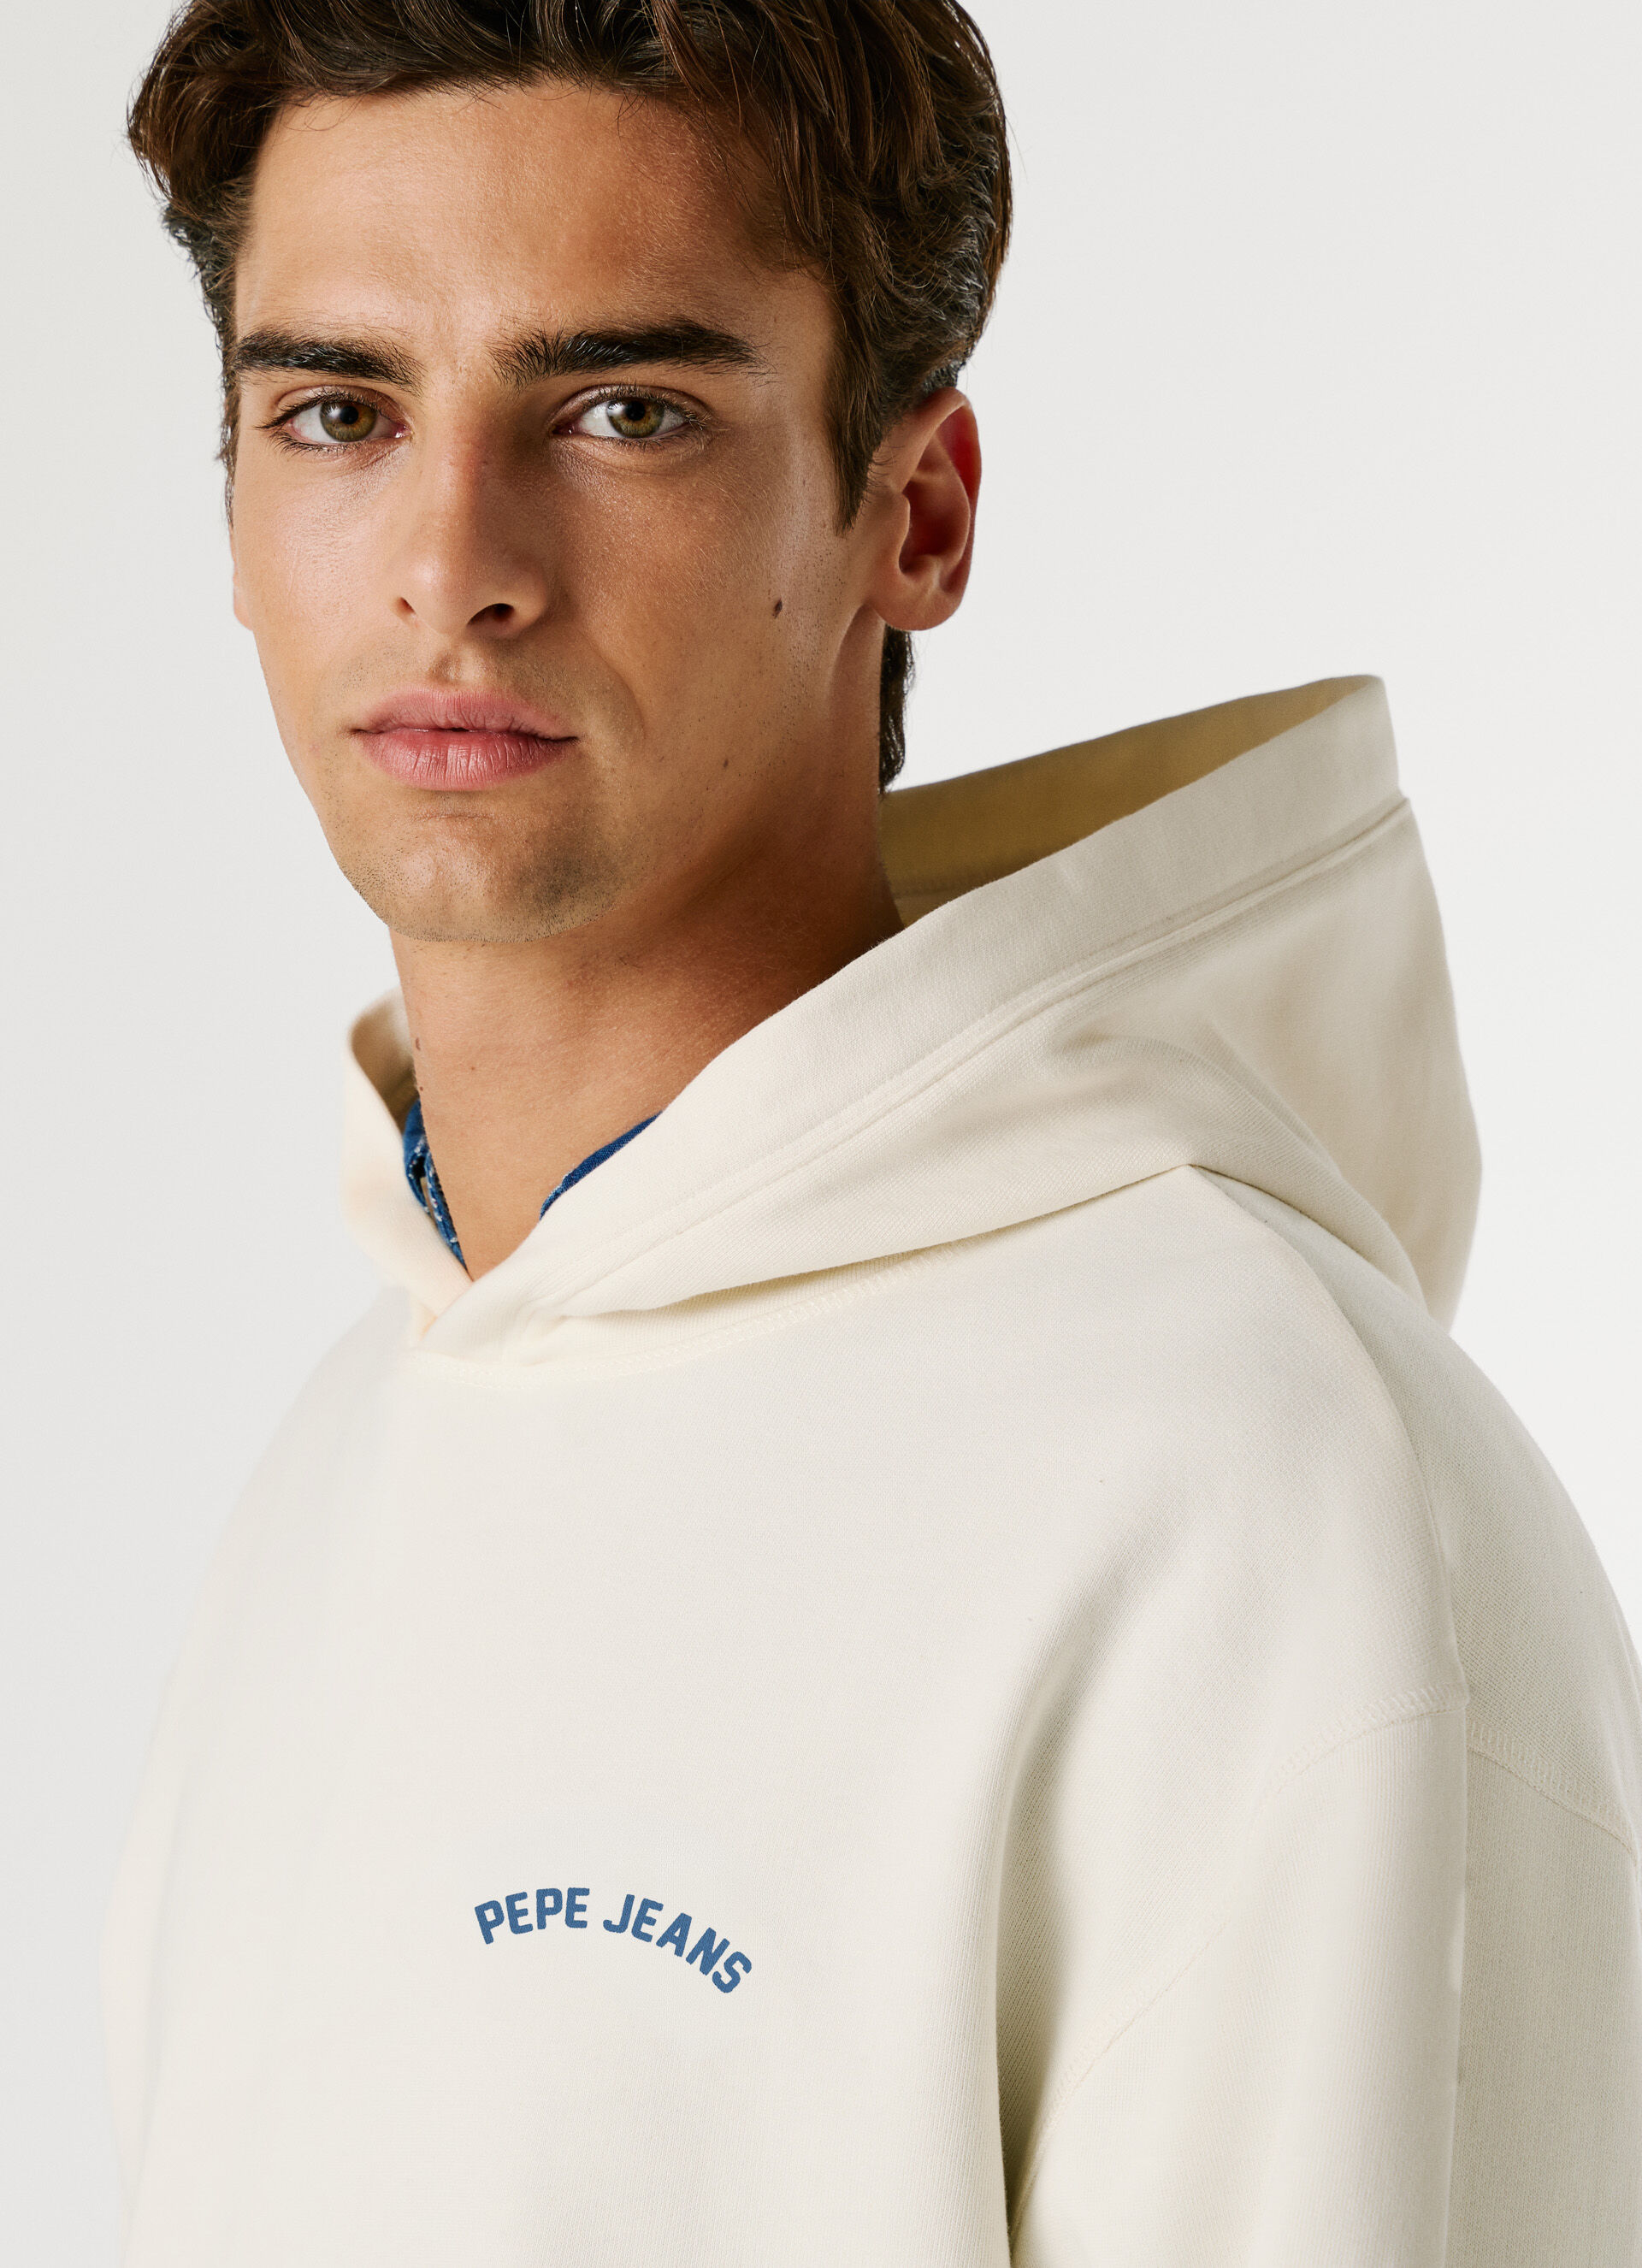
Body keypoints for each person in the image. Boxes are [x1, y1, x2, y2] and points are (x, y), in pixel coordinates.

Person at [107, 2, 1641, 2261]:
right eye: (340, 411)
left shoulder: (1257, 1494)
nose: (451, 563)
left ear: (913, 516)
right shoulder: (350, 1454)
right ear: (236, 511)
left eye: (625, 411)